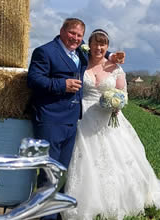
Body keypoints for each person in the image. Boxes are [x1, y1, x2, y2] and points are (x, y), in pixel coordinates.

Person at [62, 29, 160, 220]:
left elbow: (123, 94)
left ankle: (123, 198)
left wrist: (116, 104)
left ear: (107, 46)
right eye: (96, 43)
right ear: (89, 45)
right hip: (84, 117)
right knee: (84, 158)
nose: (99, 48)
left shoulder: (115, 67)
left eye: (103, 45)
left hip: (109, 117)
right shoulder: (81, 62)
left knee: (116, 159)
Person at [27, 18, 124, 220]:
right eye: (72, 33)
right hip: (50, 119)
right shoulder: (45, 52)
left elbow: (95, 50)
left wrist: (110, 54)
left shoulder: (79, 51)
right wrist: (62, 85)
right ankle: (46, 217)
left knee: (63, 172)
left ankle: (57, 213)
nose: (75, 38)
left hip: (72, 121)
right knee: (49, 173)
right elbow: (34, 80)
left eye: (79, 35)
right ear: (62, 30)